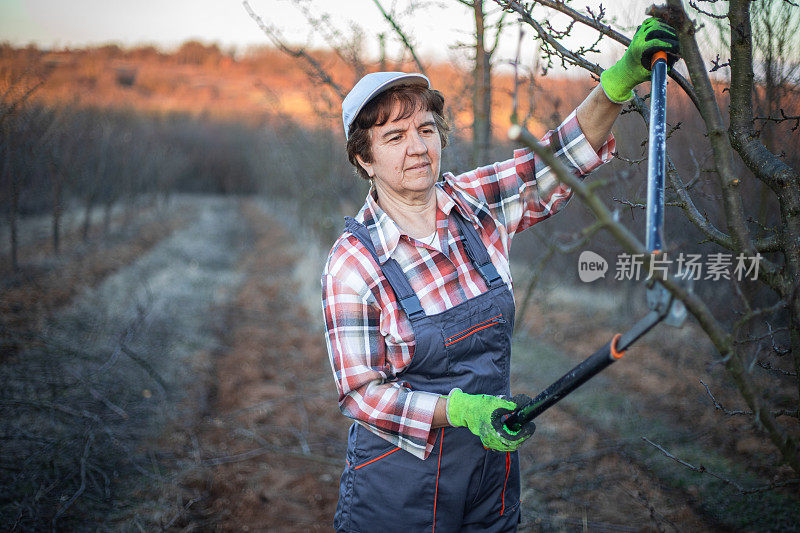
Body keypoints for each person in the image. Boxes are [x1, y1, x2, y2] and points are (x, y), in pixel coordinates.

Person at [321, 17, 679, 533]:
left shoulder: (474, 204)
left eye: (425, 130)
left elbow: (556, 160)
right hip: (398, 484)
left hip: (492, 467)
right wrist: (460, 410)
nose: (417, 148)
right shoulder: (353, 263)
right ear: (364, 158)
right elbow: (359, 393)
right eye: (394, 137)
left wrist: (618, 82)